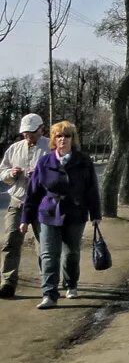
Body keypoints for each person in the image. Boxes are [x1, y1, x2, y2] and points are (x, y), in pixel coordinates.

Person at [21, 121, 101, 309]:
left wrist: (95, 213)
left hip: (75, 212)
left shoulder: (83, 161)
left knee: (71, 253)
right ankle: (49, 294)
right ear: (53, 140)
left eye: (66, 136)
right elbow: (33, 193)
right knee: (48, 254)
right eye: (58, 136)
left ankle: (71, 284)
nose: (62, 139)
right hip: (48, 213)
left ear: (73, 139)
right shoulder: (44, 162)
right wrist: (25, 219)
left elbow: (92, 189)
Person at [1, 114, 50, 298]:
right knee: (11, 240)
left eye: (31, 133)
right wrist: (10, 174)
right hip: (18, 199)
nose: (28, 137)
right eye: (25, 134)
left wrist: (40, 173)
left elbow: (60, 170)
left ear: (41, 129)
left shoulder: (51, 146)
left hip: (42, 202)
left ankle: (48, 281)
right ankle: (7, 281)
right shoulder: (14, 149)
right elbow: (2, 171)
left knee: (44, 244)